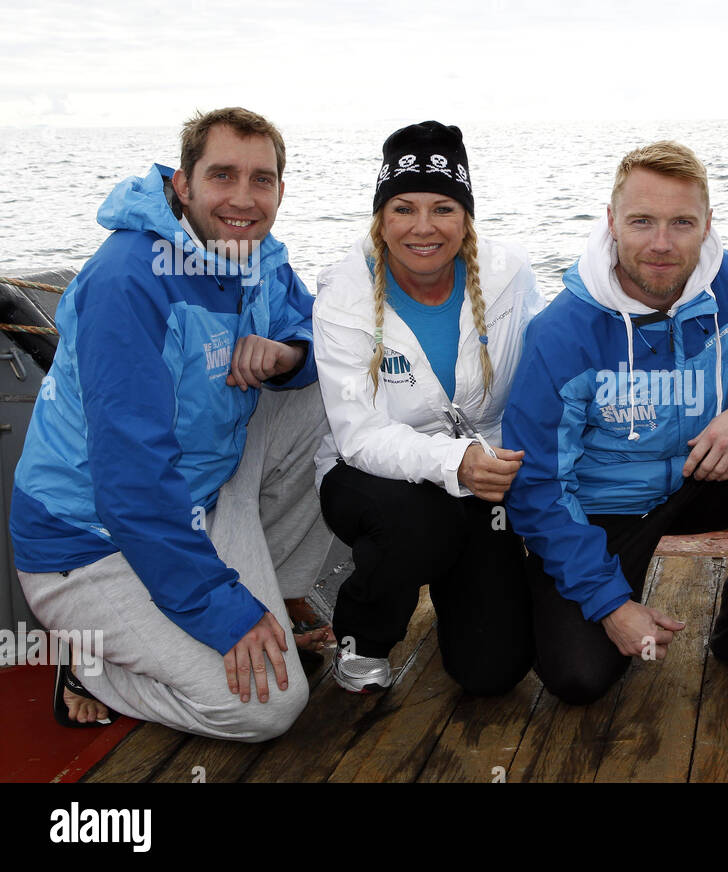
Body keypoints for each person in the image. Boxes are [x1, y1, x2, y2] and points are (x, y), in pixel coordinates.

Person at [11, 107, 332, 740]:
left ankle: (284, 599)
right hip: (92, 541)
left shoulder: (258, 253)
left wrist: (289, 353)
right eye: (222, 176)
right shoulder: (128, 282)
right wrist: (226, 614)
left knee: (330, 399)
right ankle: (87, 662)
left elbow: (316, 329)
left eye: (261, 180)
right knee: (267, 707)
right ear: (183, 184)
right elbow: (131, 484)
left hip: (201, 494)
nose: (243, 199)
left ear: (280, 190)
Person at [502, 141, 728, 705]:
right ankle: (557, 587)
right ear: (611, 222)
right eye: (642, 221)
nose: (661, 244)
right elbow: (538, 481)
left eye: (681, 223)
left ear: (708, 225)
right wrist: (610, 607)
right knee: (578, 679)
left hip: (708, 471)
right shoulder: (562, 331)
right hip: (605, 505)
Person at [313, 121, 544, 695]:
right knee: (421, 524)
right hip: (365, 473)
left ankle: (457, 590)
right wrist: (455, 462)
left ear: (466, 216)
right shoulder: (343, 292)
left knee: (492, 672)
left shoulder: (509, 275)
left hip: (479, 475)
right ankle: (362, 633)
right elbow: (358, 435)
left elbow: (546, 373)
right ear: (380, 217)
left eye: (443, 207)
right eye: (403, 208)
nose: (423, 228)